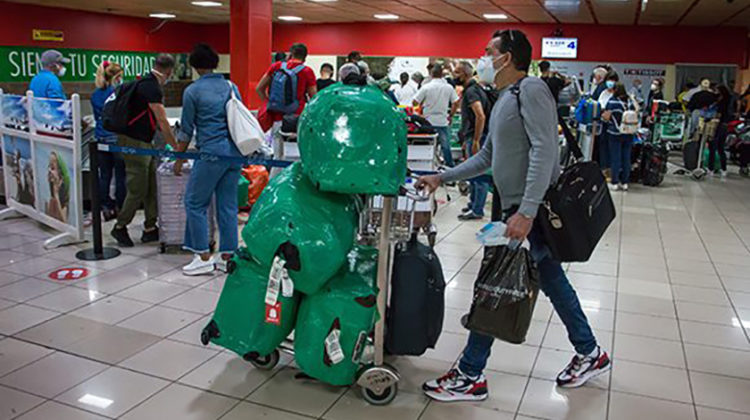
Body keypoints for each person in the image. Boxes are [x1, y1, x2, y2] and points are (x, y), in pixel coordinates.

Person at [416, 29, 609, 402]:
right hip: (513, 208)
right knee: (550, 281)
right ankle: (590, 352)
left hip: (524, 212)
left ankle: (470, 373)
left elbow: (544, 150)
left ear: (507, 57)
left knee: (495, 286)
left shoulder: (530, 89)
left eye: (489, 51)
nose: (484, 57)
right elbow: (487, 157)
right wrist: (443, 176)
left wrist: (527, 211)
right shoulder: (505, 96)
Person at [173, 43, 242, 275]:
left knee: (195, 203)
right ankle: (227, 256)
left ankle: (202, 256)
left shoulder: (193, 91)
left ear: (194, 66)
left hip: (211, 153)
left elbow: (186, 130)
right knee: (228, 205)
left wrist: (179, 158)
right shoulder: (231, 86)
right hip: (234, 153)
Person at [110, 54, 179, 247]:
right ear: (169, 71)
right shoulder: (151, 87)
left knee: (151, 185)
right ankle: (120, 226)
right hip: (135, 142)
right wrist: (176, 147)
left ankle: (150, 227)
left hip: (143, 141)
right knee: (138, 187)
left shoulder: (144, 83)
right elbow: (162, 120)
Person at [256, 43, 316, 175]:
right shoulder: (307, 71)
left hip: (277, 119)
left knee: (278, 157)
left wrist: (269, 103)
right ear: (305, 57)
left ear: (291, 54)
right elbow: (314, 97)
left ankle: (273, 184)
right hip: (296, 121)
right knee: (298, 157)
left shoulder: (276, 67)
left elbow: (259, 88)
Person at [453, 60, 489, 221]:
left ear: (465, 74)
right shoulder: (474, 89)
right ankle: (473, 204)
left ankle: (477, 210)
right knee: (473, 173)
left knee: (478, 174)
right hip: (473, 136)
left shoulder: (472, 92)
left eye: (457, 72)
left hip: (478, 137)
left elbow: (480, 115)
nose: (454, 75)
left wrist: (475, 140)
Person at [91, 61, 126, 221]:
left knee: (104, 175)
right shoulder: (118, 93)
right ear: (117, 77)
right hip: (116, 137)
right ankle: (121, 207)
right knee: (121, 175)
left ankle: (105, 207)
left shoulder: (95, 95)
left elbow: (97, 117)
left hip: (100, 137)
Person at [413, 63, 460, 168]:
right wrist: (451, 115)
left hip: (428, 121)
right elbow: (456, 102)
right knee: (445, 146)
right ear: (442, 74)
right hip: (442, 121)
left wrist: (423, 106)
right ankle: (449, 166)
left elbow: (414, 102)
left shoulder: (426, 87)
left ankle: (428, 165)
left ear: (431, 74)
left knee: (428, 145)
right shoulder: (448, 87)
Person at [601, 82, 634, 191]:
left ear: (615, 90)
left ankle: (615, 182)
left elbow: (606, 117)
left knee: (615, 158)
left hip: (615, 133)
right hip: (629, 133)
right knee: (626, 158)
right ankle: (625, 182)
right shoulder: (630, 102)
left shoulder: (612, 102)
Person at [709, 85, 733, 177]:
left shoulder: (722, 102)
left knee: (713, 147)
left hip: (719, 125)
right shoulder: (729, 100)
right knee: (720, 148)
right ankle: (724, 169)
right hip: (725, 125)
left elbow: (719, 114)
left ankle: (711, 168)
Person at [45, 151, 70, 223]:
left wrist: (56, 195)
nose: (51, 164)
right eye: (50, 162)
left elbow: (64, 221)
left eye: (54, 161)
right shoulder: (52, 184)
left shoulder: (63, 188)